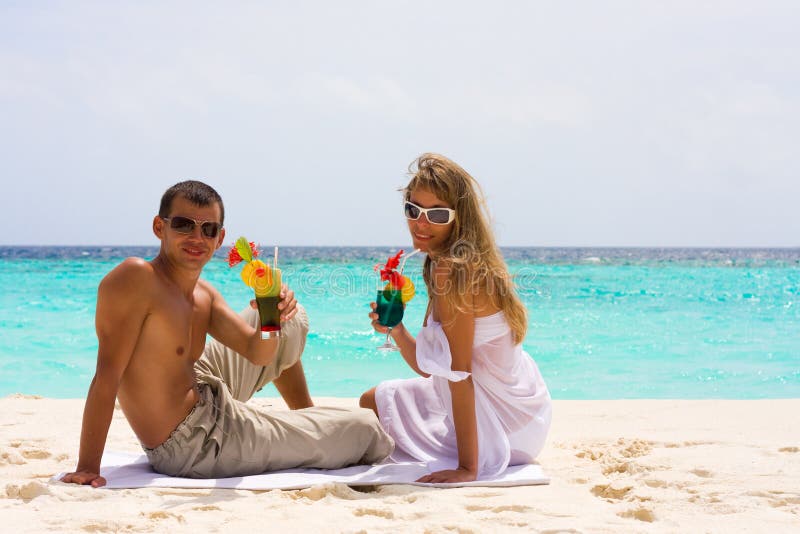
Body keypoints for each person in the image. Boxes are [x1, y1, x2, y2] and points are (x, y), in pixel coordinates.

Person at [61, 180, 393, 487]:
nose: (196, 237)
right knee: (365, 427)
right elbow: (107, 376)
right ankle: (310, 429)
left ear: (220, 239)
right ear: (159, 227)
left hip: (207, 391)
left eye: (208, 229)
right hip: (195, 443)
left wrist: (270, 316)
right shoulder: (136, 278)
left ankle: (305, 417)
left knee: (293, 318)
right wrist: (89, 466)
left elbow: (261, 353)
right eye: (183, 224)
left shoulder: (203, 296)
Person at [360, 154, 552, 483]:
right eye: (413, 209)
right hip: (525, 412)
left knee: (376, 414)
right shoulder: (447, 261)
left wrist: (467, 469)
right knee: (372, 400)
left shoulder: (454, 270)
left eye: (436, 213)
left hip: (505, 423)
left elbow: (459, 375)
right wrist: (396, 328)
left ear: (457, 218)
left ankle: (467, 455)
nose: (421, 223)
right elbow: (432, 365)